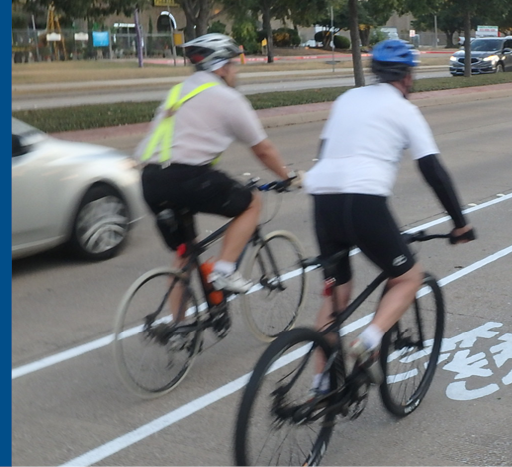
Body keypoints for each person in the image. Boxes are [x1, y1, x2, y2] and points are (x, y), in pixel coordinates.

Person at [304, 39, 475, 390]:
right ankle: (367, 344)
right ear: (407, 76)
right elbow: (433, 171)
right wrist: (460, 223)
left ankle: (320, 388)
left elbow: (326, 151)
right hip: (363, 202)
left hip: (322, 200)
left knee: (337, 296)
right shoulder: (404, 110)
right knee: (408, 277)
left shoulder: (346, 99)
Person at [134, 33, 300, 292]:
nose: (235, 71)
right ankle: (224, 271)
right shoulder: (228, 98)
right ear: (221, 67)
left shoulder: (178, 92)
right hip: (187, 178)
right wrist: (287, 176)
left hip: (150, 180)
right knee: (253, 202)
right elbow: (263, 149)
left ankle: (176, 326)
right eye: (233, 64)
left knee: (186, 254)